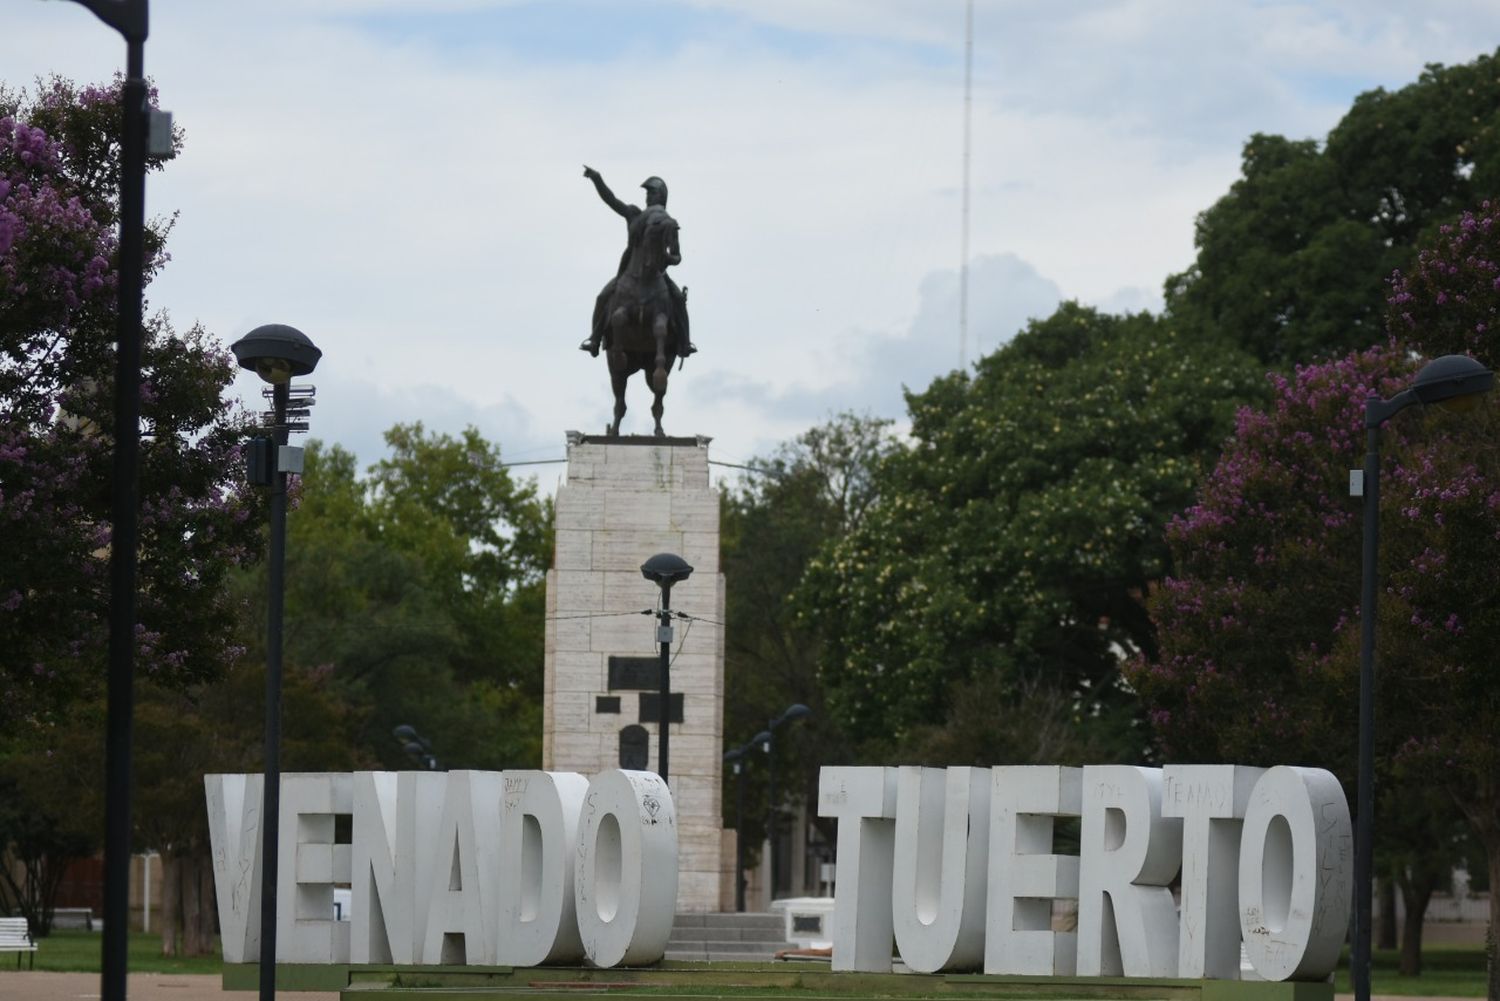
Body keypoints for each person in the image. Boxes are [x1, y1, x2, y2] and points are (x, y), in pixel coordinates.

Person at [580, 165, 695, 358]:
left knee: (678, 300)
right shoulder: (634, 214)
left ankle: (684, 343)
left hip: (658, 275)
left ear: (662, 197)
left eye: (653, 193)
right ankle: (595, 339)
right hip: (628, 273)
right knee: (602, 297)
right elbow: (611, 200)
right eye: (648, 194)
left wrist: (666, 258)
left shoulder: (667, 224)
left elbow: (677, 256)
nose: (649, 197)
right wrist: (597, 179)